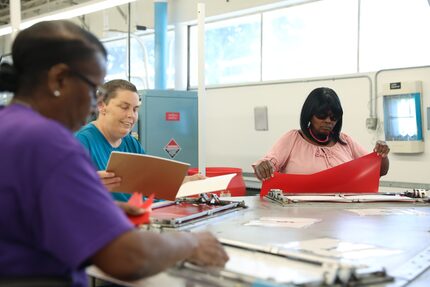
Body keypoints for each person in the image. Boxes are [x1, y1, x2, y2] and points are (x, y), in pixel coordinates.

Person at [0, 20, 228, 287]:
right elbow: (127, 258)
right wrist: (191, 243)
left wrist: (98, 209)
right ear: (59, 79)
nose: (91, 105)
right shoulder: (51, 142)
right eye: (90, 89)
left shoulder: (9, 127)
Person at [75, 79, 203, 202]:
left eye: (135, 109)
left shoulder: (131, 143)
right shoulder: (81, 142)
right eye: (124, 107)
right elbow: (64, 193)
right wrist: (89, 185)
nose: (131, 115)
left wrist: (186, 182)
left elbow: (148, 184)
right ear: (102, 106)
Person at [253, 87, 390, 181]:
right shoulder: (293, 139)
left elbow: (378, 171)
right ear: (309, 115)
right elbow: (267, 165)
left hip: (340, 216)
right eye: (322, 116)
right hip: (299, 215)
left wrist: (382, 155)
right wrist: (264, 167)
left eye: (333, 117)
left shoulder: (345, 141)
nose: (328, 121)